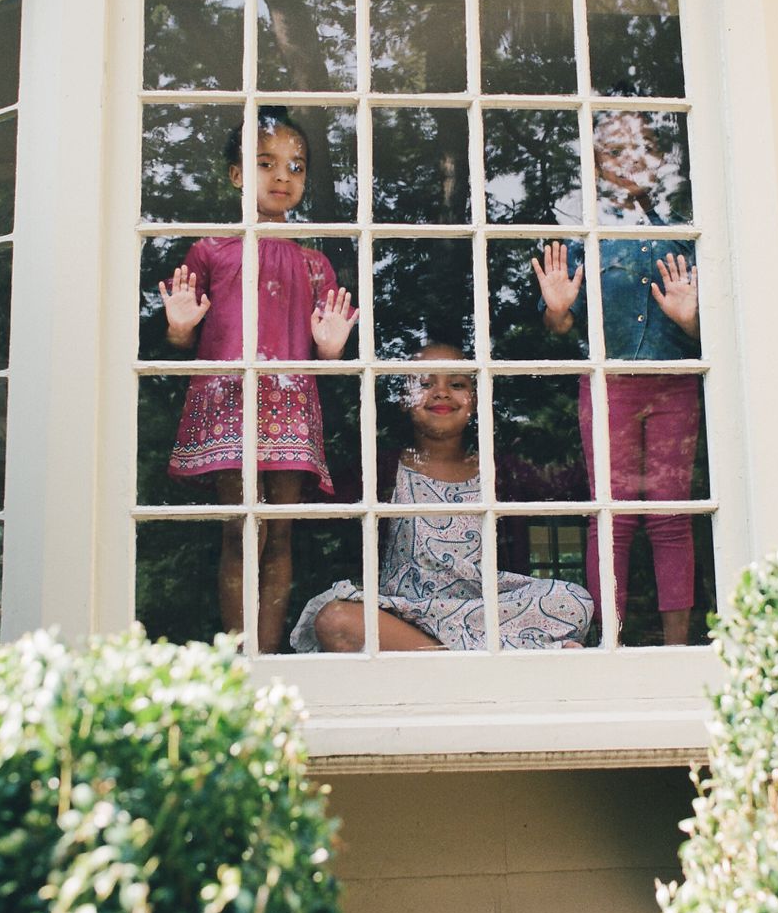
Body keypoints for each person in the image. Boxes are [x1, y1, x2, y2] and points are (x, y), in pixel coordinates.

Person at [160, 107, 358, 653]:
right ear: (236, 174)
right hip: (230, 400)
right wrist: (178, 330)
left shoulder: (315, 262)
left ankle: (267, 658)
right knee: (243, 528)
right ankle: (239, 654)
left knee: (282, 531)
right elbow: (182, 339)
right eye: (265, 163)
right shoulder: (210, 250)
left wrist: (332, 349)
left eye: (295, 167)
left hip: (290, 404)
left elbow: (326, 356)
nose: (281, 177)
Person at [288, 347, 594, 652]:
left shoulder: (502, 472)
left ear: (475, 399)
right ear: (402, 401)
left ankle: (454, 658)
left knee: (575, 600)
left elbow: (576, 486)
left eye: (457, 384)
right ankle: (497, 657)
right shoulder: (379, 470)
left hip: (488, 613)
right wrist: (329, 363)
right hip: (406, 616)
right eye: (425, 383)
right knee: (336, 621)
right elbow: (308, 497)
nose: (442, 393)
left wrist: (564, 338)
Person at [533, 110, 701, 645]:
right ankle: (611, 644)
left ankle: (678, 646)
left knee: (672, 515)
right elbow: (558, 330)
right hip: (609, 386)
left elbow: (716, 332)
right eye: (615, 149)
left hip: (675, 381)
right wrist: (558, 310)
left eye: (642, 146)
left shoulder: (685, 227)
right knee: (613, 517)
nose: (630, 157)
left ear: (659, 158)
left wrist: (692, 321)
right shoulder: (586, 233)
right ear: (599, 165)